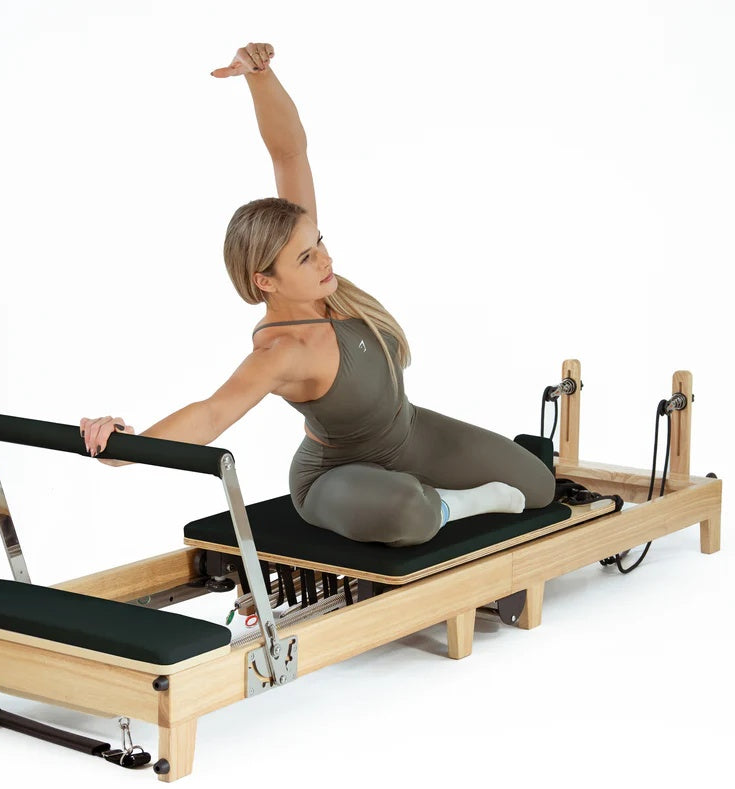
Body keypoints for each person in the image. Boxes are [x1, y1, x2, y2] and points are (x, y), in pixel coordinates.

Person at [81, 42, 555, 548]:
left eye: (319, 244)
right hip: (332, 477)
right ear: (266, 279)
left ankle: (425, 494)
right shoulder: (282, 352)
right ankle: (448, 504)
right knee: (408, 512)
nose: (325, 260)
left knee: (539, 488)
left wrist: (259, 76)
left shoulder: (320, 278)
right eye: (305, 258)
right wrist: (120, 450)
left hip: (409, 435)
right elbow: (211, 413)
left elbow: (289, 153)